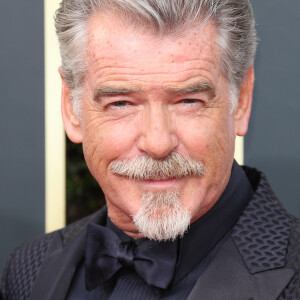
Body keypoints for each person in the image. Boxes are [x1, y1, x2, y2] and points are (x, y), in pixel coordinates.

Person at [1, 0, 300, 299]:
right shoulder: (27, 271)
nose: (158, 144)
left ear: (242, 100)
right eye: (121, 103)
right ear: (71, 107)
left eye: (188, 101)